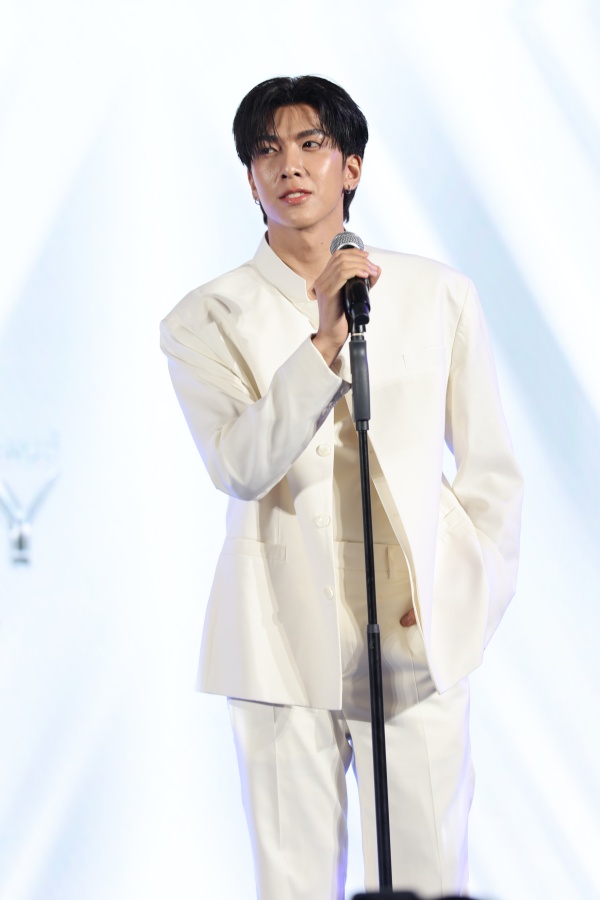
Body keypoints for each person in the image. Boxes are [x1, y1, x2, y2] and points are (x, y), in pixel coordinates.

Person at [160, 75, 523, 900]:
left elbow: (492, 471)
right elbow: (241, 464)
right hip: (278, 638)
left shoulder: (436, 293)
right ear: (250, 178)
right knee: (294, 883)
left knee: (430, 878)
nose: (288, 165)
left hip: (413, 640)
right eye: (267, 151)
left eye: (310, 145)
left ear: (351, 166)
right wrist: (322, 343)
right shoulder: (204, 317)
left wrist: (465, 602)